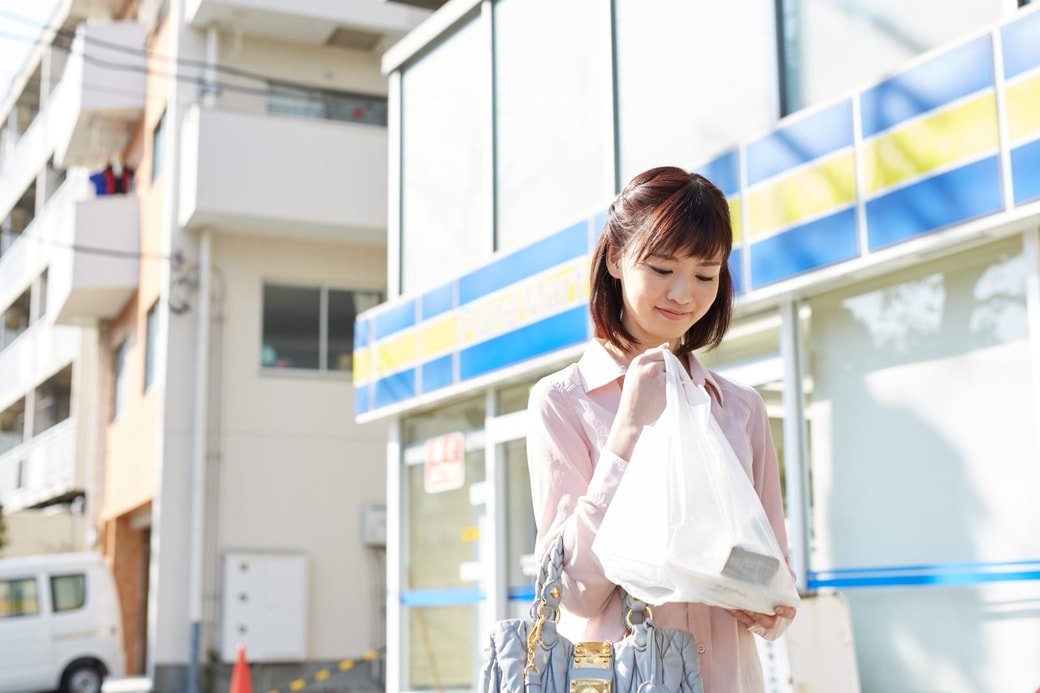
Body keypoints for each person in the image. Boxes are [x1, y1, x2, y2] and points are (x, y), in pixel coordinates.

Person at [526, 165, 796, 693]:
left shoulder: (738, 408)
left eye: (705, 274)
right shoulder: (563, 401)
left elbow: (772, 572)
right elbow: (575, 592)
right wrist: (626, 432)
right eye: (661, 267)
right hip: (623, 677)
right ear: (615, 259)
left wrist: (770, 607)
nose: (683, 294)